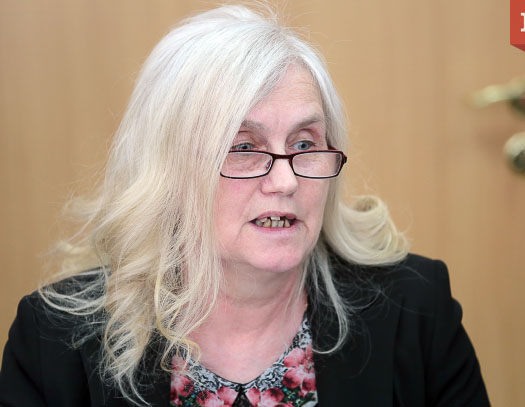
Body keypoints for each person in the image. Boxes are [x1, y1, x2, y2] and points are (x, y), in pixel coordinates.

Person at [0, 5, 490, 407]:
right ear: (169, 170)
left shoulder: (416, 310)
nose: (286, 180)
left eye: (304, 144)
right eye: (243, 146)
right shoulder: (54, 340)